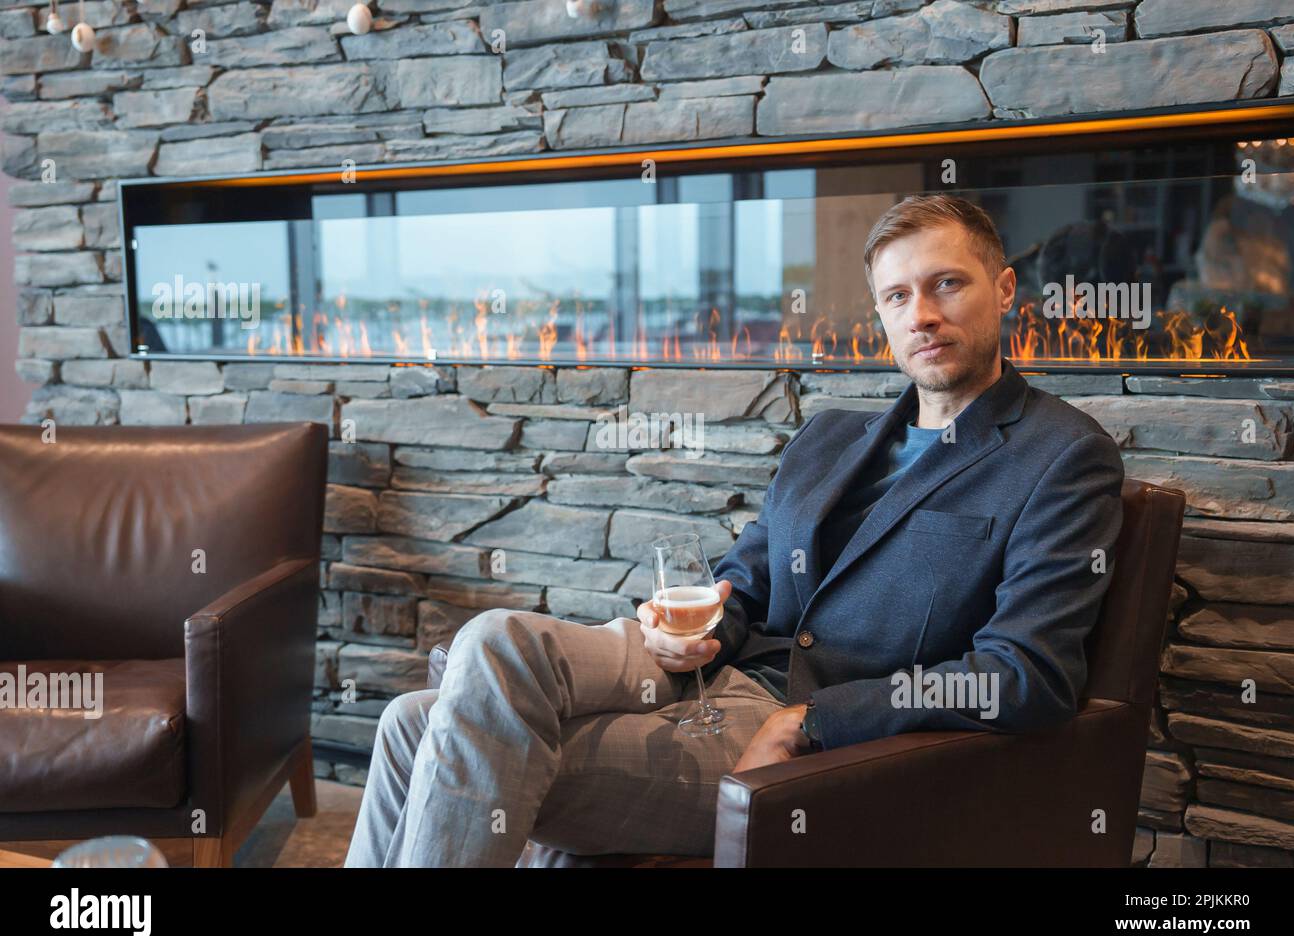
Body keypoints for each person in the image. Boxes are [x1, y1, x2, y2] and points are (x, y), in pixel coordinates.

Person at [344, 194, 1126, 867]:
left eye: (945, 284)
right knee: (490, 643)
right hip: (699, 666)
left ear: (1004, 288)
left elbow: (1027, 674)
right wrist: (698, 619)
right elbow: (751, 571)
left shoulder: (1061, 456)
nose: (919, 314)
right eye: (895, 296)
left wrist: (815, 719)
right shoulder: (832, 435)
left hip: (799, 730)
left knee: (421, 727)